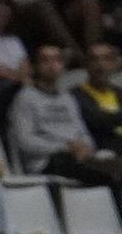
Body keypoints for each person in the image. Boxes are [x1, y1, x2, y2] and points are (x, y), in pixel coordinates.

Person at [10, 45, 122, 187]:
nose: (52, 65)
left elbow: (83, 132)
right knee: (110, 172)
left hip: (79, 157)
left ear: (62, 66)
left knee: (114, 166)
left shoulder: (67, 98)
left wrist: (85, 147)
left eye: (57, 60)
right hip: (47, 161)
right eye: (45, 60)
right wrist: (65, 147)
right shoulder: (25, 98)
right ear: (35, 66)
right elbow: (25, 141)